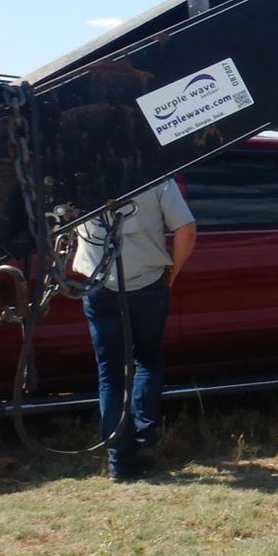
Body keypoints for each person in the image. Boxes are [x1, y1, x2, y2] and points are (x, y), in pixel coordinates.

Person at [71, 178, 196, 481]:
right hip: (148, 284)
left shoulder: (74, 176)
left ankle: (119, 463)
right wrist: (173, 272)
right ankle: (144, 445)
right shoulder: (157, 177)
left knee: (110, 375)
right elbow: (187, 229)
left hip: (98, 286)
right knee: (147, 361)